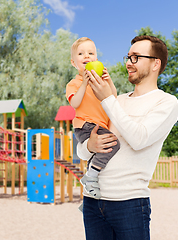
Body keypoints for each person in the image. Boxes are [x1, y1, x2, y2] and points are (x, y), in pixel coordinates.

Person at [77, 35, 178, 240]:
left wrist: (106, 99)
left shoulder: (166, 103)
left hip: (129, 204)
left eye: (135, 57)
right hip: (92, 202)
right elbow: (81, 151)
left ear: (155, 64)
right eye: (128, 57)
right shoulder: (117, 100)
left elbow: (139, 138)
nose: (128, 63)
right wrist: (90, 144)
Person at [66, 37, 120, 199]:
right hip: (86, 125)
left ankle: (89, 192)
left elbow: (113, 97)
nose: (86, 56)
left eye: (91, 53)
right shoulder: (74, 83)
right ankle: (90, 177)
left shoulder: (100, 82)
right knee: (113, 144)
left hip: (98, 125)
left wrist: (108, 80)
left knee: (98, 155)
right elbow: (75, 103)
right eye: (81, 54)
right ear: (74, 63)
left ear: (96, 59)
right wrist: (84, 83)